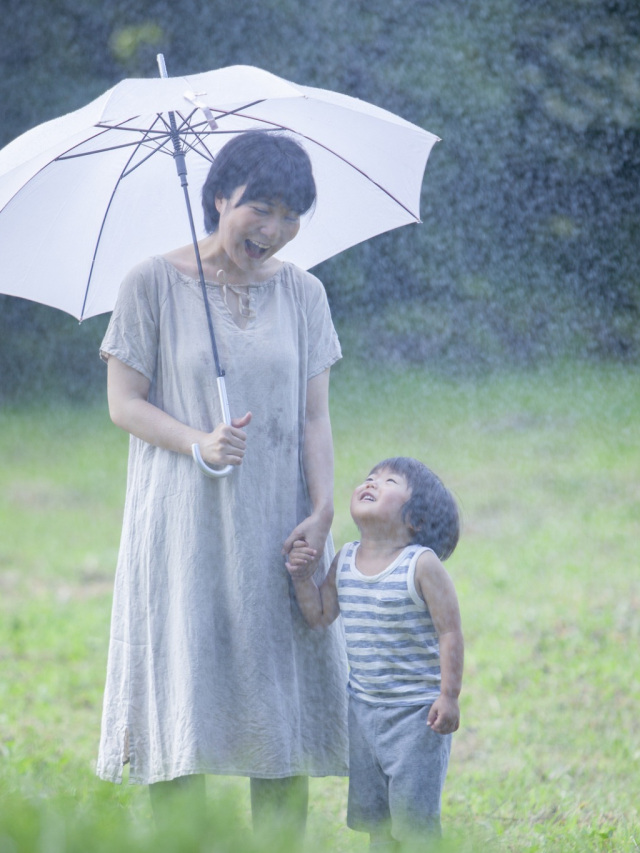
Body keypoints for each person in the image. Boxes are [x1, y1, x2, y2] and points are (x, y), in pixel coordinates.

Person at [96, 130, 349, 834]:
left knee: (279, 706)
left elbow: (313, 416)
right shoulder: (149, 282)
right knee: (184, 693)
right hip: (183, 523)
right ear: (218, 200)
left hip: (278, 521)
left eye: (292, 214)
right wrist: (198, 441)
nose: (275, 229)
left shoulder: (305, 292)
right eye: (260, 208)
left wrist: (323, 510)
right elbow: (125, 402)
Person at [286, 457, 463, 849]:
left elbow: (449, 630)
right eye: (369, 478)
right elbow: (319, 615)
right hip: (363, 711)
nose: (371, 483)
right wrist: (301, 578)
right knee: (375, 820)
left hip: (417, 717)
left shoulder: (421, 565)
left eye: (389, 481)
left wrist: (448, 696)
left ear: (415, 518)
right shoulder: (345, 559)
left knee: (414, 824)